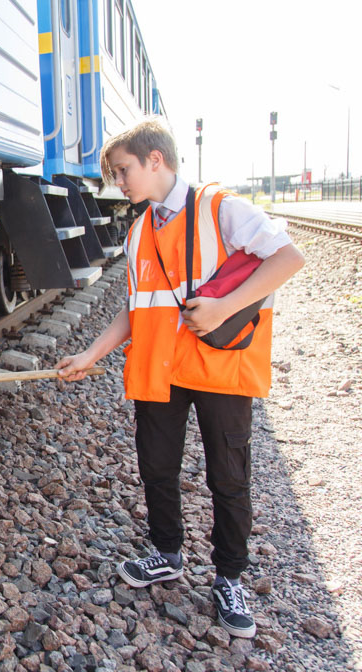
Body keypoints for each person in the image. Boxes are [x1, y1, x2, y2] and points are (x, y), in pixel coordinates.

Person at [56, 118, 305, 639]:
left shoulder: (222, 209)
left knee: (229, 478)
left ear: (155, 160)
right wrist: (90, 353)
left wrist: (222, 308)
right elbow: (135, 308)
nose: (118, 182)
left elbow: (288, 257)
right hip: (158, 370)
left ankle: (229, 577)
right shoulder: (139, 231)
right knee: (157, 468)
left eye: (122, 170)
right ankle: (166, 553)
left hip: (220, 368)